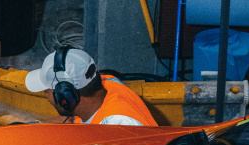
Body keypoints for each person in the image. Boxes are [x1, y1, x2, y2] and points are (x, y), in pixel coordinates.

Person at [24, 47, 157, 127]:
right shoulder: (107, 83)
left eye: (47, 90)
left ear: (66, 96)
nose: (45, 94)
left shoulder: (118, 125)